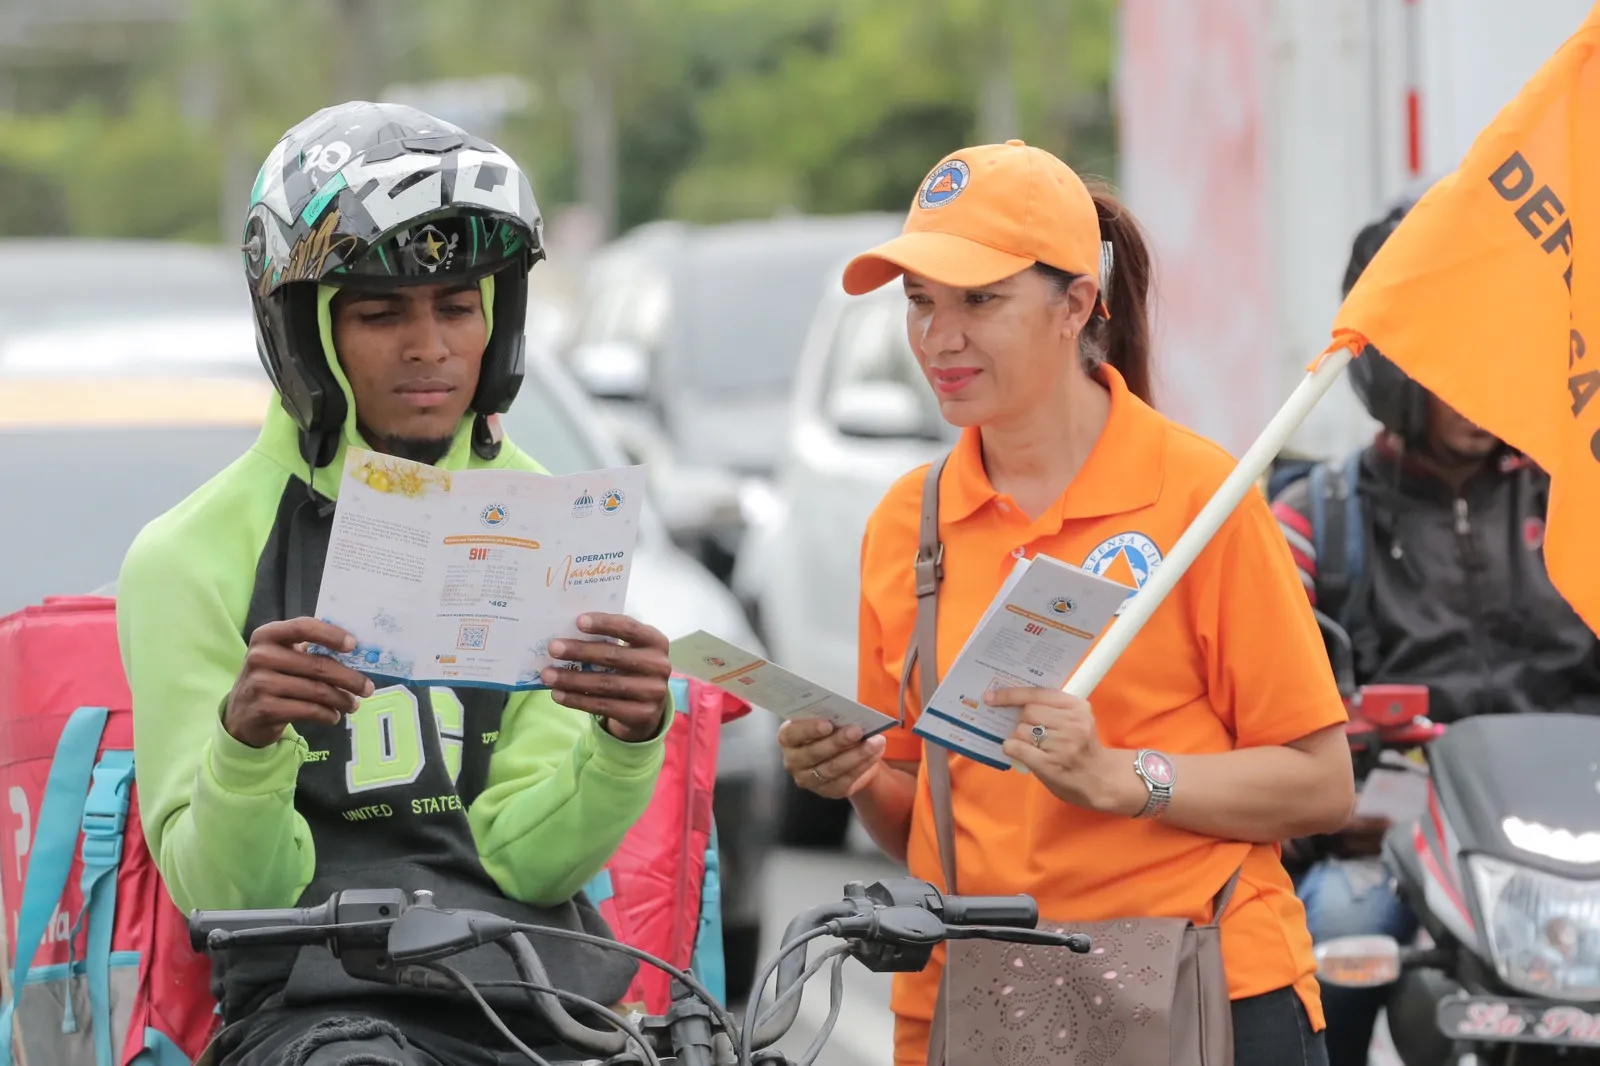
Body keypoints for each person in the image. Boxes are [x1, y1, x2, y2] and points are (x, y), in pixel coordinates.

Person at [115, 101, 675, 1066]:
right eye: (381, 313)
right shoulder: (187, 557)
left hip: (529, 1000)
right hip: (312, 1013)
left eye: (459, 307)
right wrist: (246, 743)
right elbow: (225, 898)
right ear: (302, 334)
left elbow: (526, 860)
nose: (432, 348)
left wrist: (625, 745)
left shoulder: (548, 517)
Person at [778, 139, 1354, 1066]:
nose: (939, 338)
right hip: (986, 1005)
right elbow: (925, 826)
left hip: (1202, 992)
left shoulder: (1198, 497)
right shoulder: (905, 524)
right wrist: (854, 776)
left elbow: (1320, 782)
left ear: (1076, 304)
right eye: (920, 303)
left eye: (980, 300)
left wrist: (1128, 779)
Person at [1270, 197, 1600, 1066]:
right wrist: (1338, 754)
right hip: (1400, 838)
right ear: (1383, 360)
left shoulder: (1582, 499)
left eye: (1489, 347)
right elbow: (1260, 711)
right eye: (1443, 354)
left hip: (1582, 833)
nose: (1471, 379)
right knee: (1337, 933)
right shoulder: (1312, 522)